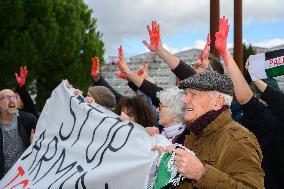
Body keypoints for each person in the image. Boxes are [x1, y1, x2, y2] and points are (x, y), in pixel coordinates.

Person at [153, 71, 264, 188]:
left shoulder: (238, 139)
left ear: (217, 102)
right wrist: (168, 163)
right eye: (186, 94)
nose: (185, 100)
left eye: (193, 94)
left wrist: (201, 173)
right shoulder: (196, 132)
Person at [215, 16, 284, 188]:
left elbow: (249, 100)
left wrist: (255, 78)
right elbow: (247, 100)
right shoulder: (261, 122)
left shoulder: (269, 123)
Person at [0, 89, 37, 179]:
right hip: (4, 178)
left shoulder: (29, 119)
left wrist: (35, 143)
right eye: (8, 98)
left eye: (14, 97)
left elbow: (46, 141)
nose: (12, 100)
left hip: (27, 174)